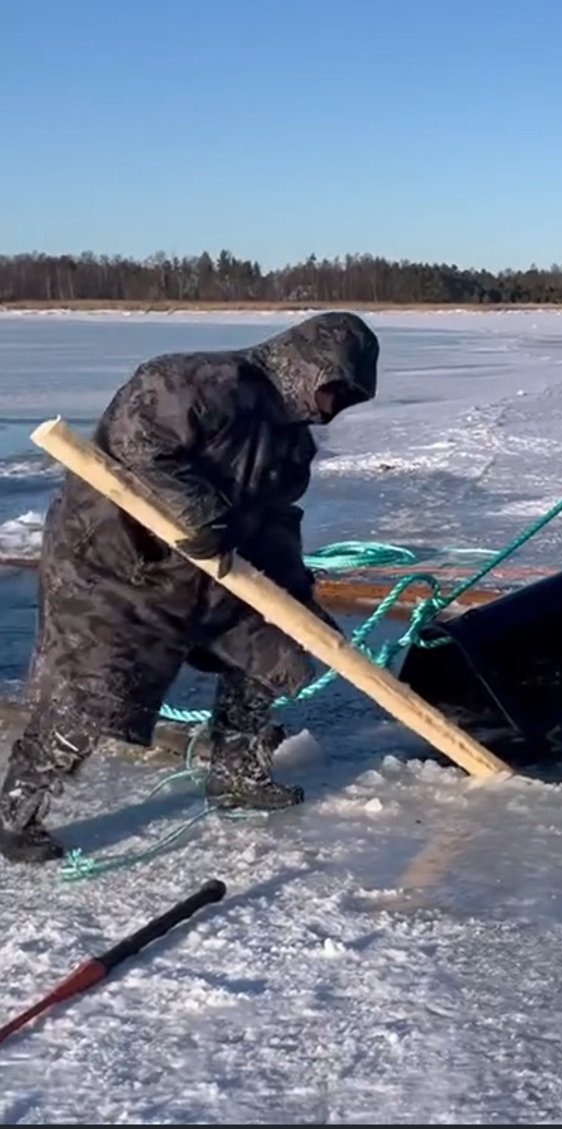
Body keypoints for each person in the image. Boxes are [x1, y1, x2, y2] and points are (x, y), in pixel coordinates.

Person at [0, 312, 381, 865]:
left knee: (273, 646)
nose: (330, 405)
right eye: (331, 386)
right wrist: (197, 511)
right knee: (90, 690)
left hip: (209, 568)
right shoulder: (201, 381)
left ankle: (236, 771)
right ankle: (17, 810)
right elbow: (136, 437)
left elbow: (273, 519)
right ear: (305, 364)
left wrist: (294, 592)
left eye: (345, 395)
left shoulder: (292, 442)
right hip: (116, 565)